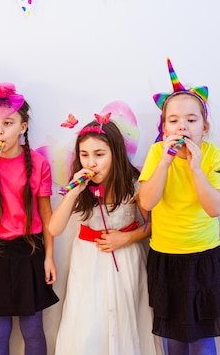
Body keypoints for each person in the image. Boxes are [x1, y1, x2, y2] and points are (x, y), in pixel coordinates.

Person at [138, 59, 220, 355]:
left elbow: (214, 209)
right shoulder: (157, 153)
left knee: (201, 338)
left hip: (203, 257)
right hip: (166, 257)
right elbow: (146, 202)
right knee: (173, 339)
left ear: (204, 127)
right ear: (164, 126)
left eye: (191, 120)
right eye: (173, 120)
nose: (182, 125)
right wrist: (166, 161)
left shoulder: (213, 156)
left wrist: (196, 169)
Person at [49, 115, 163, 355]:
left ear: (116, 153)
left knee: (126, 317)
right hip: (88, 262)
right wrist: (73, 192)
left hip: (126, 261)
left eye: (99, 155)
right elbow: (54, 229)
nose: (91, 163)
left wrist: (126, 238)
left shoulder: (133, 183)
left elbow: (153, 225)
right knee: (90, 321)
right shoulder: (79, 186)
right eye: (84, 155)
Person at [0, 82, 58, 355]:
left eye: (8, 123)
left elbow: (46, 213)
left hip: (29, 249)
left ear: (23, 127)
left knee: (32, 329)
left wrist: (50, 256)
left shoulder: (39, 163)